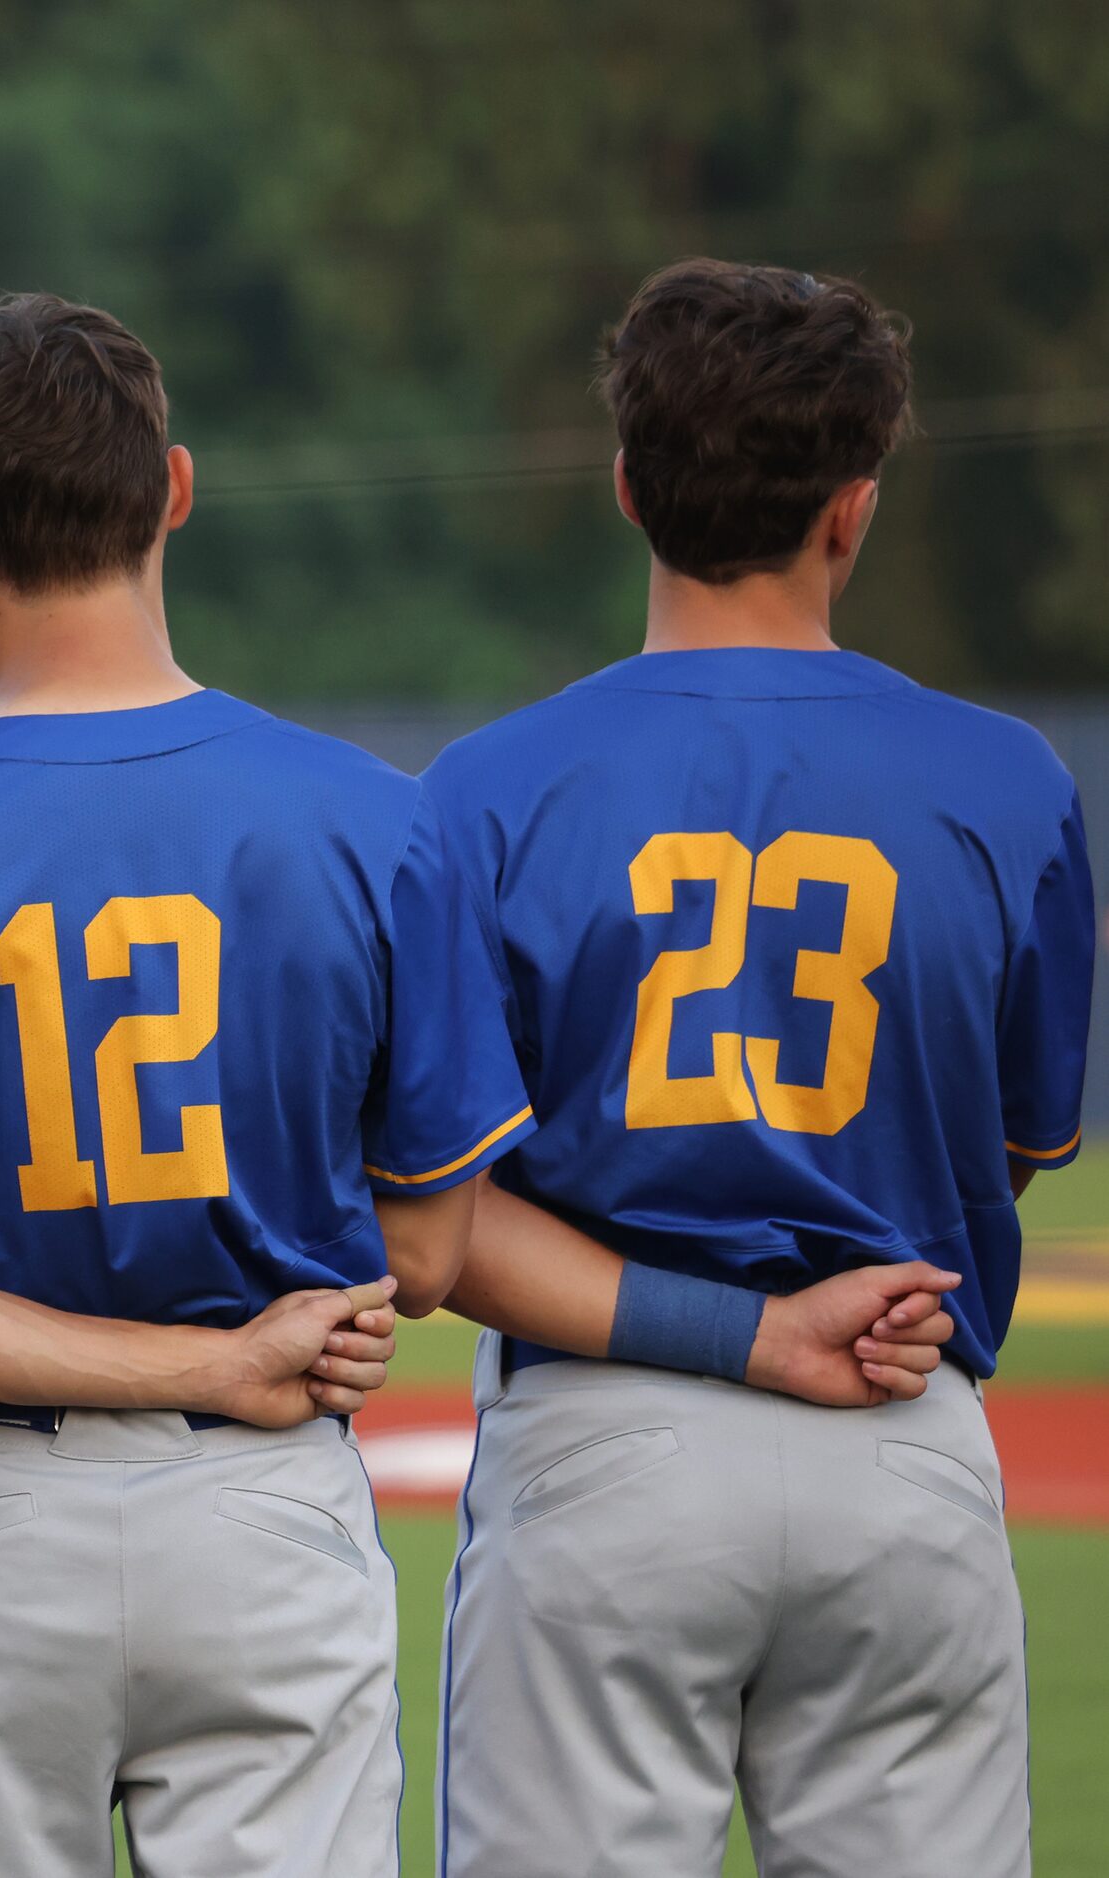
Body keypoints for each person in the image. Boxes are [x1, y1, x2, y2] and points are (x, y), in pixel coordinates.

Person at [0, 292, 491, 1876]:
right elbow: (422, 1259)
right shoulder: (377, 823)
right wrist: (223, 1359)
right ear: (176, 490)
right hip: (264, 1504)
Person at [423, 259, 1090, 1878]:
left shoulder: (480, 793)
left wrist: (727, 1326)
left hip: (607, 1445)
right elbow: (993, 1153)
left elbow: (433, 1229)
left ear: (625, 488)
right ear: (850, 510)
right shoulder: (1009, 784)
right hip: (898, 1425)